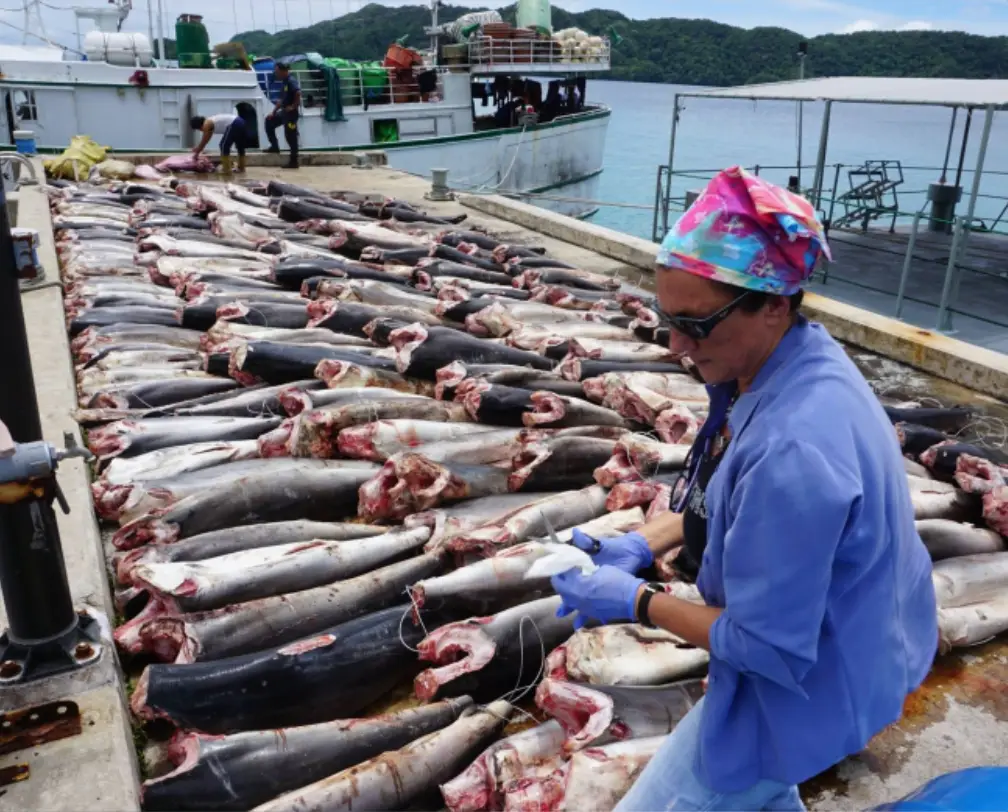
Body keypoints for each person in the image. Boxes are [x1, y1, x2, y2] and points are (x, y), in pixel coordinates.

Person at [550, 166, 938, 811]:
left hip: (816, 676)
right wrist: (642, 542)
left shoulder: (796, 446)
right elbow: (732, 492)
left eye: (696, 324)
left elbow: (768, 648)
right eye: (664, 317)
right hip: (864, 637)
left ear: (774, 305)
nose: (676, 345)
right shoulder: (791, 361)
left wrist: (636, 601)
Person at [264, 62, 301, 169]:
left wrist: (293, 106)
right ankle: (274, 146)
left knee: (291, 136)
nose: (276, 74)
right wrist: (273, 112)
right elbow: (280, 100)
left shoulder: (291, 81)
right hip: (284, 112)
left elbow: (298, 93)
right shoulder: (284, 82)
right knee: (269, 121)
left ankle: (294, 161)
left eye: (277, 71)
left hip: (291, 114)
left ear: (283, 71)